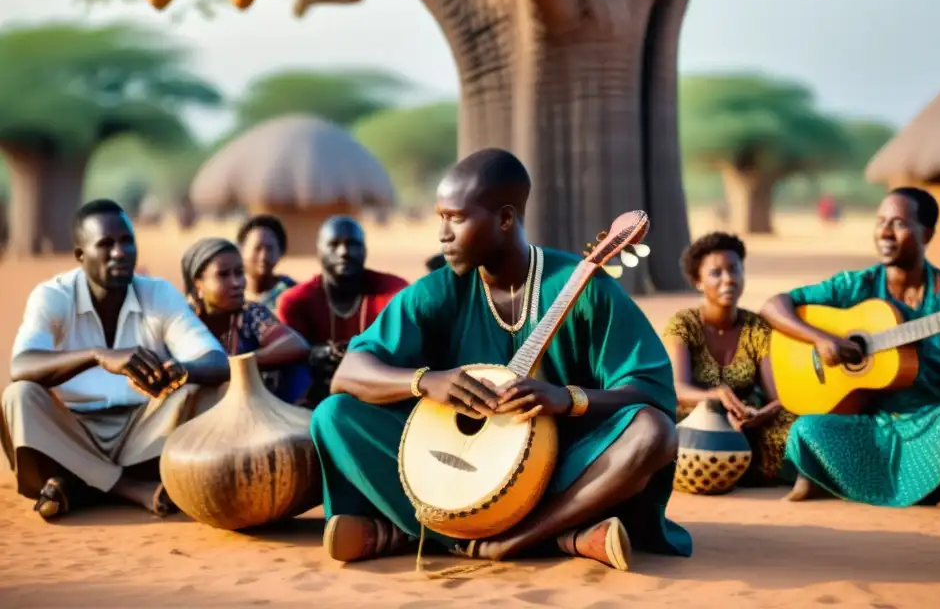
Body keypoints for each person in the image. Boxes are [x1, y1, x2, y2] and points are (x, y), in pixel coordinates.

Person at [310, 148, 689, 572]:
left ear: (505, 219)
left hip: (564, 470)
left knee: (652, 433)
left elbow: (652, 393)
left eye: (456, 218)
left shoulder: (584, 288)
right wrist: (424, 381)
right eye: (440, 217)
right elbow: (350, 372)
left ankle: (503, 540)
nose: (442, 234)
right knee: (334, 415)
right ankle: (560, 538)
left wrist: (567, 399)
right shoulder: (439, 291)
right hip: (459, 467)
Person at [760, 187, 940, 512]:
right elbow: (773, 306)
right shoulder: (856, 285)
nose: (885, 233)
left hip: (934, 420)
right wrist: (821, 338)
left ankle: (841, 483)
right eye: (881, 222)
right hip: (868, 424)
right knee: (808, 429)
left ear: (927, 233)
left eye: (899, 223)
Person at [0, 199, 230, 520]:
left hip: (141, 434)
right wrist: (98, 356)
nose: (120, 252)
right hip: (69, 431)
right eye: (105, 244)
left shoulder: (158, 293)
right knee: (19, 395)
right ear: (81, 255)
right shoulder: (53, 295)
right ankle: (132, 489)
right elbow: (21, 367)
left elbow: (217, 362)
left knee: (198, 391)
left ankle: (76, 485)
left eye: (127, 241)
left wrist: (181, 370)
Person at [663, 232, 795, 485]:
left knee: (795, 425)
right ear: (697, 281)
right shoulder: (683, 325)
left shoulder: (757, 327)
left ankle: (755, 470)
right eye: (716, 273)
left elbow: (777, 397)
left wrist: (758, 414)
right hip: (692, 419)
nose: (729, 279)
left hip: (745, 422)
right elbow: (678, 389)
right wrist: (716, 396)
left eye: (734, 269)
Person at [276, 216, 408, 408]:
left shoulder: (392, 292)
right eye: (333, 245)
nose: (344, 252)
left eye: (353, 244)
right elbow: (290, 355)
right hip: (315, 396)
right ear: (319, 252)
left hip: (379, 393)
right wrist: (316, 353)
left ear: (364, 251)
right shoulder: (297, 301)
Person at [181, 237, 310, 403]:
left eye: (239, 272)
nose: (237, 283)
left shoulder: (249, 314)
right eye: (223, 275)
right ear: (198, 285)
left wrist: (234, 367)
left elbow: (296, 345)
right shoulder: (182, 320)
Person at [237, 214, 296, 313]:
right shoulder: (230, 295)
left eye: (270, 249)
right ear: (242, 250)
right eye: (257, 248)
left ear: (281, 251)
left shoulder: (293, 295)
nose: (263, 256)